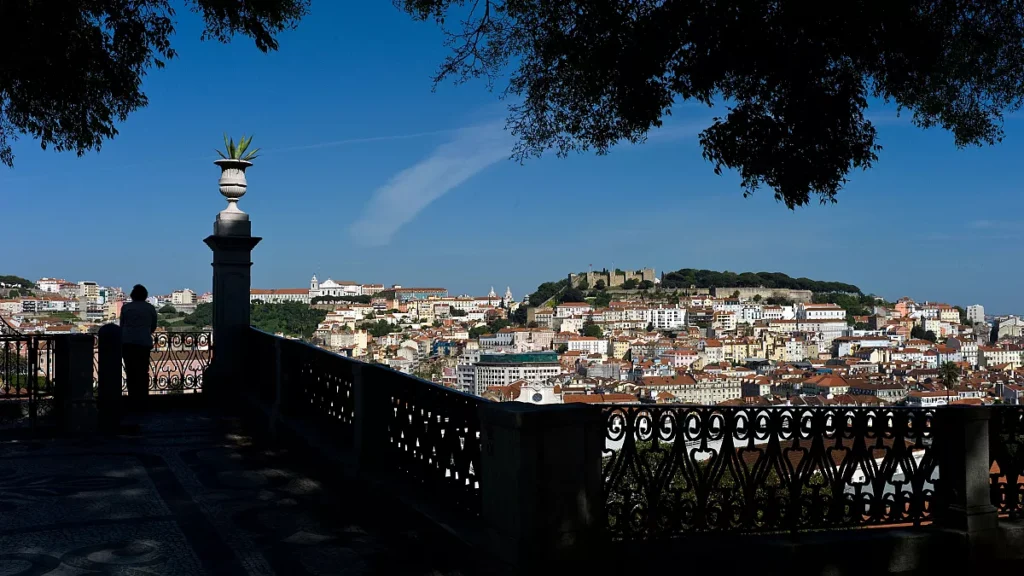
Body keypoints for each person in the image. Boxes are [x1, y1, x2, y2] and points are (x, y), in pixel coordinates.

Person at [121, 284, 157, 409]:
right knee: (142, 372)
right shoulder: (150, 308)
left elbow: (122, 325)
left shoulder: (126, 308)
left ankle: (132, 399)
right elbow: (153, 326)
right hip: (143, 342)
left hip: (128, 342)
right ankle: (142, 399)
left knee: (130, 372)